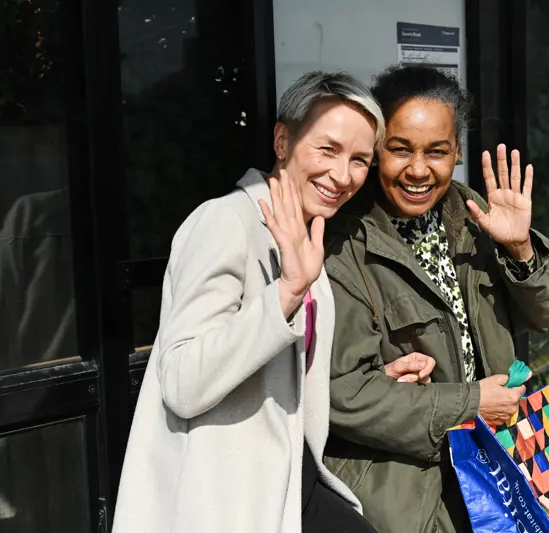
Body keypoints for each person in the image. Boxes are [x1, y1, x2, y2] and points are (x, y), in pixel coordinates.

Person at [111, 71, 420, 533]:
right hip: (226, 500)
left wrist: (380, 379)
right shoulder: (226, 222)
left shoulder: (307, 236)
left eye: (359, 160)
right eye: (328, 149)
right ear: (282, 141)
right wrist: (286, 294)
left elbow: (284, 376)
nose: (343, 175)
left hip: (290, 483)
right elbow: (181, 381)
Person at [322, 64, 549, 533]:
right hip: (408, 494)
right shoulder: (344, 244)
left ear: (457, 151)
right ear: (376, 149)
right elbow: (343, 394)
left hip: (497, 471)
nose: (418, 170)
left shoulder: (474, 216)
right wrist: (471, 403)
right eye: (400, 149)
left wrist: (520, 248)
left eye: (436, 151)